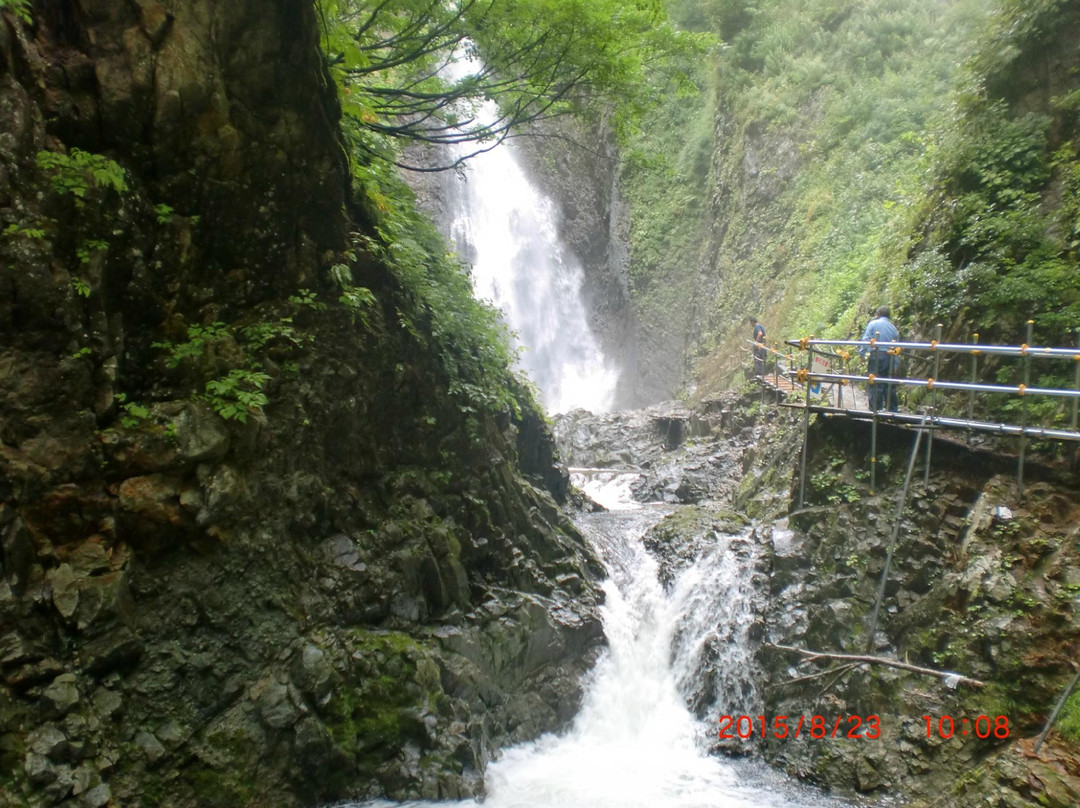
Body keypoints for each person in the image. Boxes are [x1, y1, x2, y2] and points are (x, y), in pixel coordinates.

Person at [858, 306, 900, 411]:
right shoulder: (893, 328)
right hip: (890, 356)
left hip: (877, 355)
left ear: (878, 314)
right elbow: (896, 347)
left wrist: (862, 354)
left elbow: (866, 340)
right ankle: (892, 410)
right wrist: (895, 364)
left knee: (875, 381)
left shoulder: (873, 324)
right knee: (888, 383)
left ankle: (876, 409)